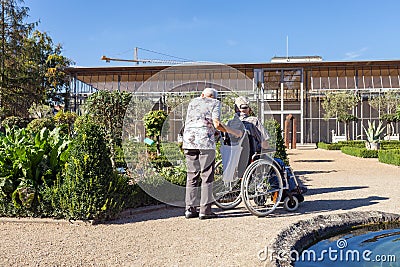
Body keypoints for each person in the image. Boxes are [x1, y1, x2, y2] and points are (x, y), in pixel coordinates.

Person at [182, 88, 242, 220]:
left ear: (202, 95)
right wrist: (234, 132)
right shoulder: (215, 103)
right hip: (205, 144)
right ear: (214, 97)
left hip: (189, 142)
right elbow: (217, 124)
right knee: (206, 177)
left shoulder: (193, 102)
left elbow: (198, 121)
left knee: (192, 176)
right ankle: (205, 211)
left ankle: (190, 210)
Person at [234, 96, 270, 161]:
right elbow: (264, 144)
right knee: (280, 163)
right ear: (248, 108)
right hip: (252, 156)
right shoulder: (254, 121)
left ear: (236, 108)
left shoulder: (230, 123)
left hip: (235, 157)